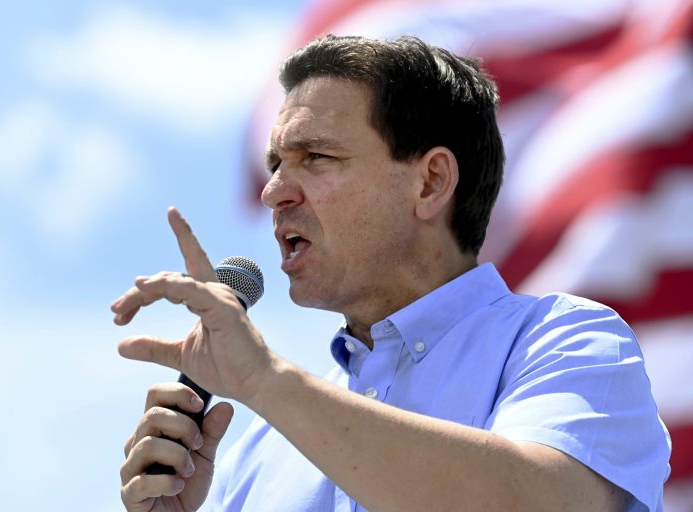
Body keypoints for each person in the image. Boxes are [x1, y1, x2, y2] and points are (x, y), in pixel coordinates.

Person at [112, 35, 671, 512]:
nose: (273, 191)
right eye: (276, 163)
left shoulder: (568, 341)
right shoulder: (261, 446)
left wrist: (265, 382)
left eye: (317, 157)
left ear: (430, 183)